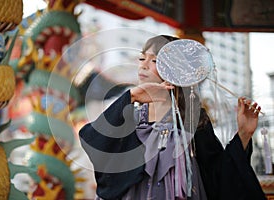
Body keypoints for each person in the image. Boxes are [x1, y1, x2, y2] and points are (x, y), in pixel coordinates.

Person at [79, 35, 267, 200]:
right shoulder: (130, 114)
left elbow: (218, 175)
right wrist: (131, 97)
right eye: (142, 58)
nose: (143, 64)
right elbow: (94, 139)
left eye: (153, 60)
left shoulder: (193, 119)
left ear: (175, 68)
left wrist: (244, 133)